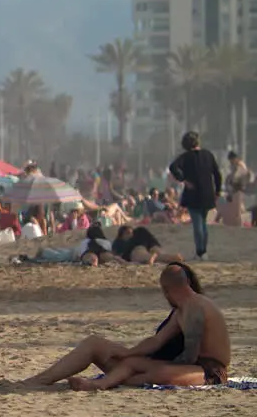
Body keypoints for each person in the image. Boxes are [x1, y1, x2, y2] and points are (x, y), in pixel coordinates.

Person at [25, 263, 231, 390]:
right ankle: (45, 380)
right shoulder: (181, 311)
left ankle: (98, 384)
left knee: (150, 375)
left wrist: (153, 364)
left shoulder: (197, 307)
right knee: (130, 364)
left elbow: (190, 355)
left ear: (167, 290)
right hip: (186, 365)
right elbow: (156, 341)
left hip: (209, 371)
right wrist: (129, 353)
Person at [168, 131, 223, 259]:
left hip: (193, 194)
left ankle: (200, 252)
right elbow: (217, 175)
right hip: (207, 193)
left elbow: (173, 167)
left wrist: (183, 179)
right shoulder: (208, 155)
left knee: (198, 223)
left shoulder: (186, 157)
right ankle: (204, 251)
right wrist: (217, 191)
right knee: (203, 223)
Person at [221, 151, 252, 227]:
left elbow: (238, 176)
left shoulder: (240, 165)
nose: (230, 162)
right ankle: (241, 221)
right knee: (238, 206)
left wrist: (231, 181)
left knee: (238, 206)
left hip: (239, 187)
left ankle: (242, 222)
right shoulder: (236, 165)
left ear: (234, 158)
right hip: (237, 187)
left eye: (231, 160)